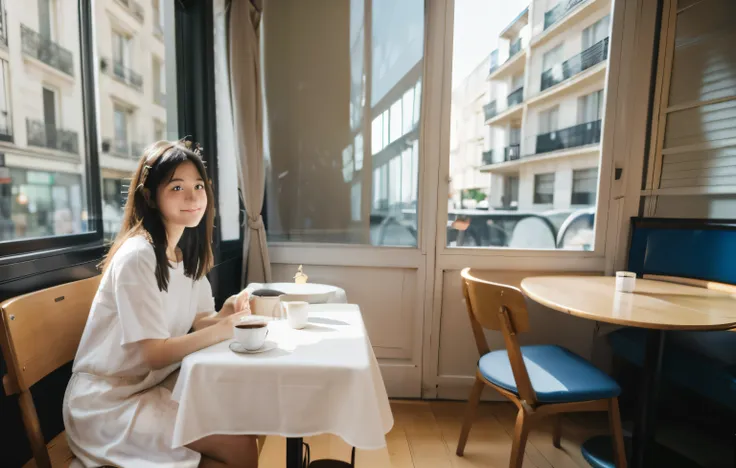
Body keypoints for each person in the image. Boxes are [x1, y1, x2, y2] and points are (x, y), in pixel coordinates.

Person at [63, 139, 258, 468]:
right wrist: (224, 330)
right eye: (177, 187)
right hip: (107, 404)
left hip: (150, 387)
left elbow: (200, 321)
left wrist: (225, 314)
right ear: (151, 197)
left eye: (198, 185)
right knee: (238, 447)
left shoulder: (185, 253)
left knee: (241, 432)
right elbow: (153, 353)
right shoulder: (138, 256)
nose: (193, 196)